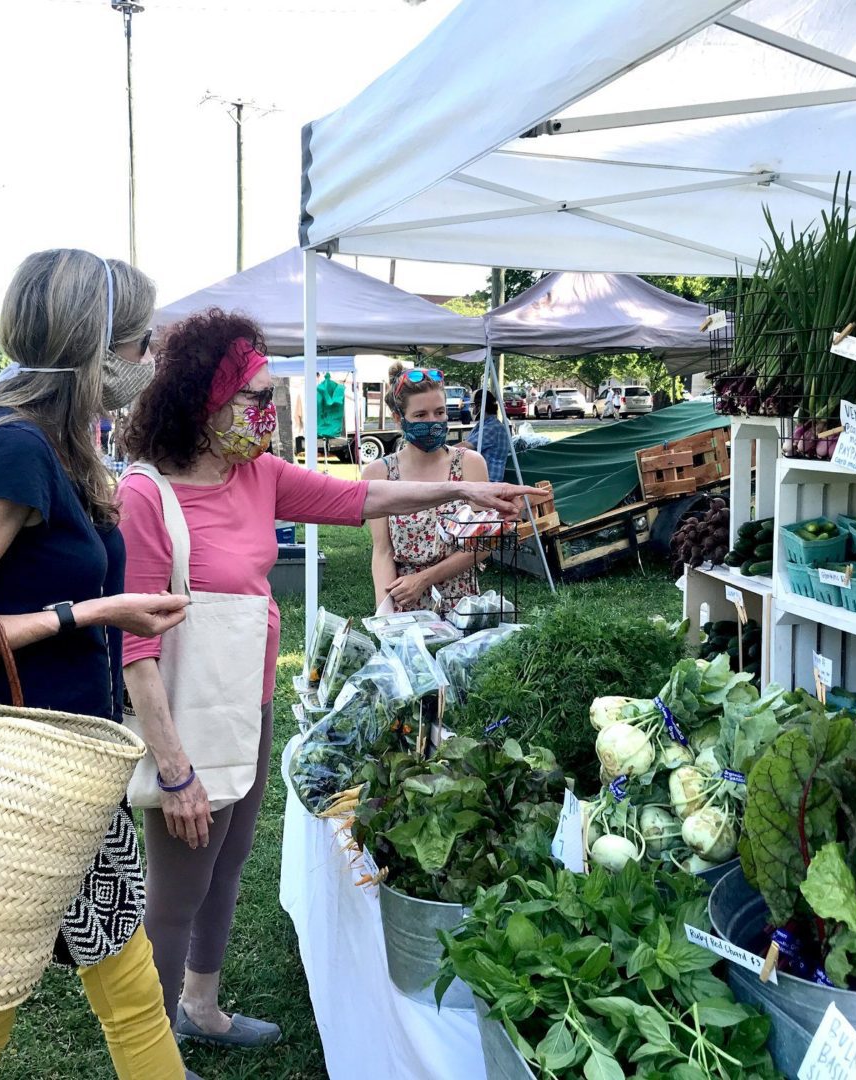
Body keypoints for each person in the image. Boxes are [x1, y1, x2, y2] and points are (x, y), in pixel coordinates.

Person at [115, 309, 542, 1050]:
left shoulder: (257, 475)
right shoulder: (148, 496)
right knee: (178, 891)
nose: (268, 414)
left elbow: (360, 500)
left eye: (269, 397)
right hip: (186, 717)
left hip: (248, 701)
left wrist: (461, 494)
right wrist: (175, 768)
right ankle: (150, 1049)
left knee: (230, 863)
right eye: (253, 398)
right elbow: (134, 648)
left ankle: (203, 1008)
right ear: (202, 400)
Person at [0, 249, 195, 1080]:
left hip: (65, 764)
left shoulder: (47, 440)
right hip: (20, 774)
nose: (148, 360)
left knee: (58, 994)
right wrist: (93, 611)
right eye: (139, 343)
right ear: (94, 347)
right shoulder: (13, 447)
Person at [364, 364, 496, 614]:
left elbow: (484, 544)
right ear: (398, 419)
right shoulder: (378, 474)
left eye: (439, 412)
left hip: (461, 605)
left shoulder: (470, 464)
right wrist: (386, 616)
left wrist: (424, 578)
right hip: (405, 603)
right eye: (421, 415)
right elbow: (382, 551)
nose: (433, 422)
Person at [466, 388, 512, 483]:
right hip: (479, 481)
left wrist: (444, 451)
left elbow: (466, 447)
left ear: (479, 406)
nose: (470, 408)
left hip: (488, 483)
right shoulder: (483, 425)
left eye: (472, 405)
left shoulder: (493, 428)